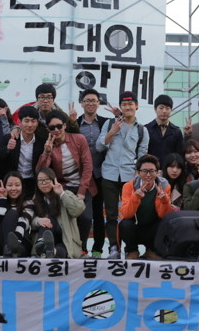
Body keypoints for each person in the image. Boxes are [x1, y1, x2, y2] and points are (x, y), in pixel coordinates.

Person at [96, 90, 149, 259]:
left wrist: (138, 175)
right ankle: (114, 248)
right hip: (109, 174)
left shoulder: (142, 130)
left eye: (130, 104)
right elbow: (99, 146)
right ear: (120, 106)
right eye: (124, 104)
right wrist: (112, 132)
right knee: (111, 214)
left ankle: (130, 249)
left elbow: (142, 156)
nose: (127, 107)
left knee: (129, 214)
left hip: (129, 177)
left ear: (136, 106)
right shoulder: (110, 124)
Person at [37, 110, 95, 254]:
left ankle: (82, 249)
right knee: (65, 219)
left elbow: (88, 166)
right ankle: (63, 249)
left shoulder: (79, 139)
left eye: (59, 126)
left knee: (86, 217)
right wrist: (47, 152)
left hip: (83, 185)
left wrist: (81, 192)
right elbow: (41, 171)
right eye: (52, 128)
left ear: (65, 125)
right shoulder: (50, 145)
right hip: (63, 187)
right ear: (48, 129)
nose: (56, 130)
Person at [76, 88, 111, 258]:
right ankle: (81, 247)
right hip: (81, 177)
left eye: (93, 100)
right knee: (82, 214)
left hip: (101, 174)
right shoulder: (74, 123)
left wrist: (119, 115)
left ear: (98, 103)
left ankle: (98, 249)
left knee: (98, 214)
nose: (90, 103)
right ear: (81, 103)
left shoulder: (106, 123)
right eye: (87, 100)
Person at [119, 154, 173, 259]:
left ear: (158, 172)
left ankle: (152, 250)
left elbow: (164, 216)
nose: (148, 175)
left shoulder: (164, 186)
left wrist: (165, 200)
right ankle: (132, 250)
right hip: (135, 228)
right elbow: (126, 214)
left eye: (152, 171)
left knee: (164, 223)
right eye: (144, 171)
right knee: (125, 224)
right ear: (138, 172)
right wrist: (136, 196)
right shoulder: (128, 186)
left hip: (152, 228)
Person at [31, 167, 85, 258]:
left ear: (53, 180)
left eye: (47, 179)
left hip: (66, 238)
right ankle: (42, 245)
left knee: (61, 250)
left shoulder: (65, 194)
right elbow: (29, 221)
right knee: (47, 221)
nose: (44, 183)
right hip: (46, 234)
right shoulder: (35, 200)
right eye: (40, 180)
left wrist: (61, 194)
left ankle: (50, 250)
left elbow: (78, 209)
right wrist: (37, 220)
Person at [0, 106, 45, 197]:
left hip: (32, 183)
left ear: (37, 123)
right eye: (26, 121)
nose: (30, 125)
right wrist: (7, 149)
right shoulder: (10, 138)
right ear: (19, 122)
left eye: (33, 121)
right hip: (12, 182)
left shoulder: (41, 142)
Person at [0, 172, 34, 258]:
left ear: (22, 187)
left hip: (20, 239)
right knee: (12, 213)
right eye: (10, 185)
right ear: (5, 186)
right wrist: (2, 199)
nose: (14, 188)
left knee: (23, 248)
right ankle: (9, 249)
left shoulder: (28, 203)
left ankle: (10, 250)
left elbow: (23, 224)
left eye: (17, 185)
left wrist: (14, 244)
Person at [145, 94, 183, 166]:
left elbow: (179, 155)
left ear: (171, 110)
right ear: (155, 109)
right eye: (161, 108)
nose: (164, 111)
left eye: (167, 108)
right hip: (151, 169)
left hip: (170, 170)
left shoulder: (176, 131)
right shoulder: (146, 129)